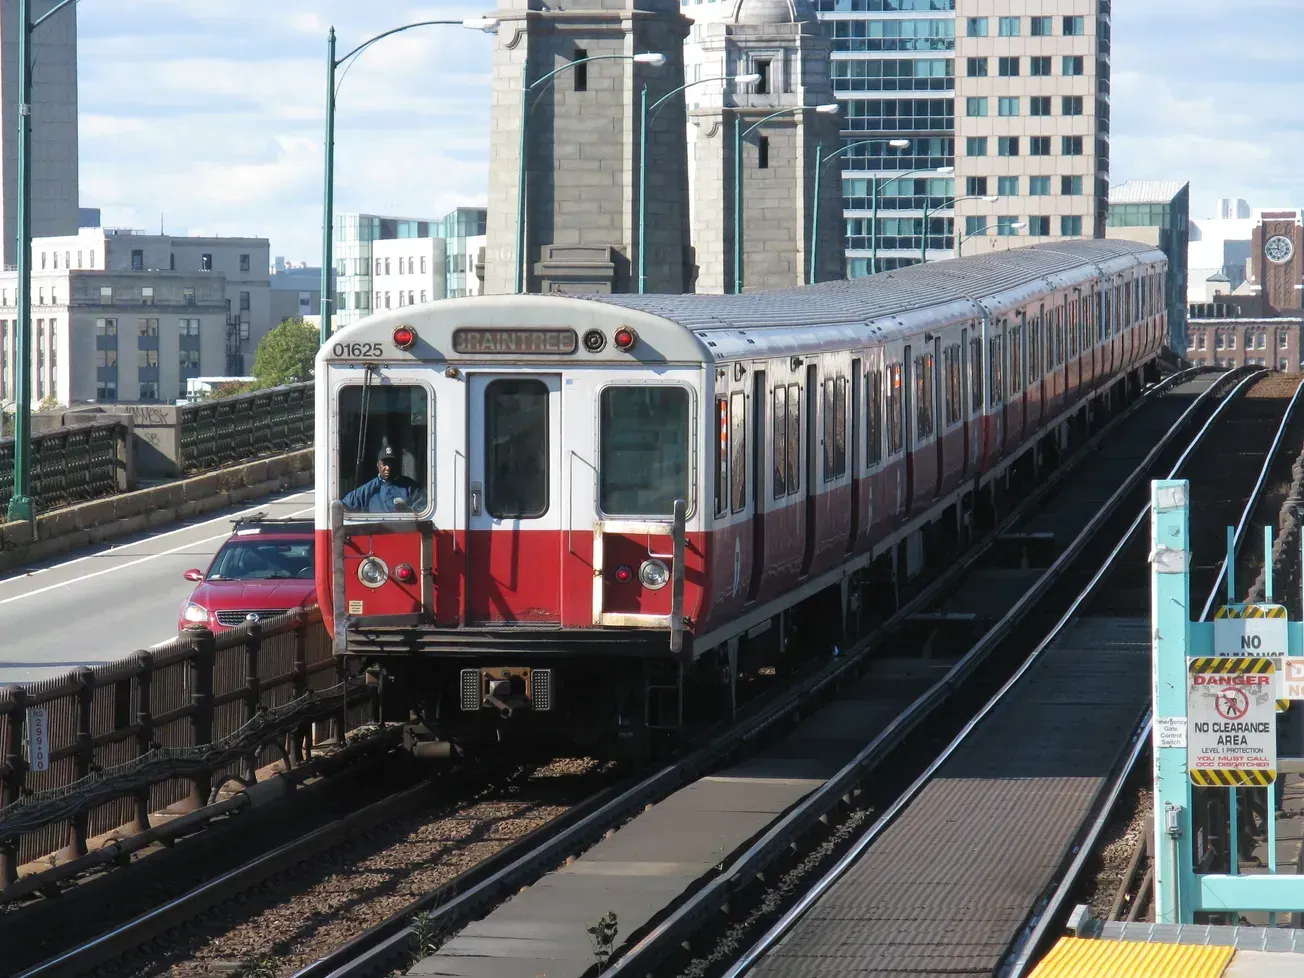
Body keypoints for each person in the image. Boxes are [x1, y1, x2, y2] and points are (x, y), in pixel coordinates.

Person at [342, 446, 425, 513]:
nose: (388, 468)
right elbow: (343, 505)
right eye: (384, 464)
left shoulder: (410, 486)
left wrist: (408, 510)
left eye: (391, 463)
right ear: (377, 464)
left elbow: (424, 504)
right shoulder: (368, 489)